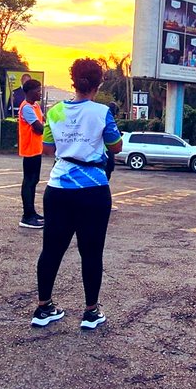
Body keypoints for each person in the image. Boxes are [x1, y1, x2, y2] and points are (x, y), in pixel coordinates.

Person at [31, 58, 123, 329]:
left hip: (58, 188)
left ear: (73, 80)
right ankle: (91, 313)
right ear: (99, 82)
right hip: (93, 190)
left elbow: (47, 149)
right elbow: (115, 146)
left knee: (51, 250)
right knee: (92, 251)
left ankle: (43, 308)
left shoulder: (55, 111)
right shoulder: (102, 112)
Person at [18, 79, 46, 229]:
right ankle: (26, 216)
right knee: (28, 182)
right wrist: (43, 126)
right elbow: (39, 128)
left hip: (37, 149)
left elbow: (41, 124)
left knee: (34, 181)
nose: (40, 93)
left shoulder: (35, 106)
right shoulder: (26, 108)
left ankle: (32, 212)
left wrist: (43, 126)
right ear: (29, 92)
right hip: (29, 150)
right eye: (38, 90)